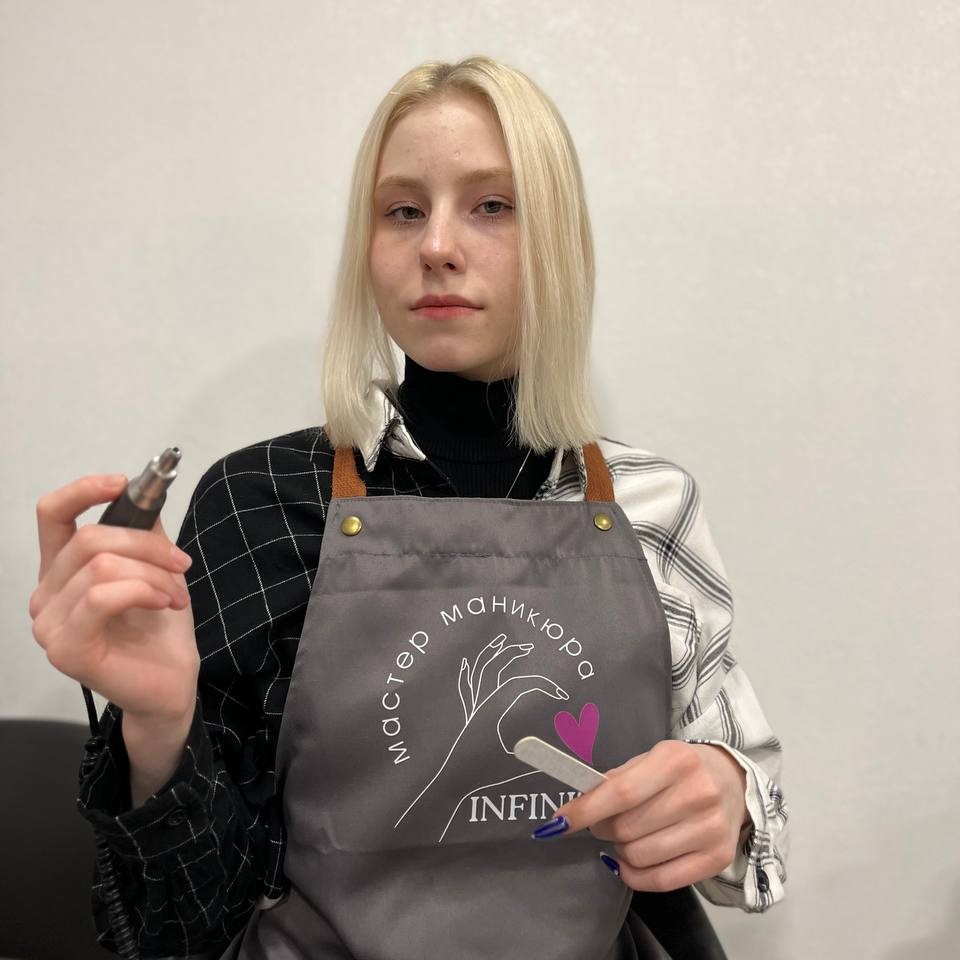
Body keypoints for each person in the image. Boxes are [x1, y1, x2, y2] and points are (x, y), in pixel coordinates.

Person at [29, 56, 788, 959]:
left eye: (491, 205)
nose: (437, 245)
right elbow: (179, 930)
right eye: (402, 210)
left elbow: (750, 845)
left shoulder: (651, 507)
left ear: (559, 238)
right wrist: (159, 726)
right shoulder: (255, 504)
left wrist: (727, 796)